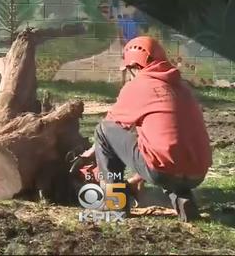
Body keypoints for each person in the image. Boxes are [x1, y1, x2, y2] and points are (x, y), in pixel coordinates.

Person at [83, 36, 212, 222]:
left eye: (130, 70)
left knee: (102, 130)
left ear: (135, 66)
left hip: (163, 170)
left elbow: (111, 126)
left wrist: (91, 151)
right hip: (197, 173)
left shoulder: (139, 85)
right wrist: (139, 177)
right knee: (171, 155)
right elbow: (163, 139)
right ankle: (184, 199)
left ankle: (114, 205)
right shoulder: (183, 88)